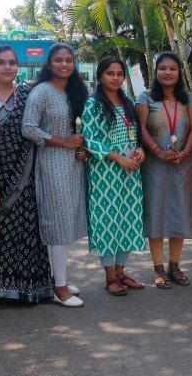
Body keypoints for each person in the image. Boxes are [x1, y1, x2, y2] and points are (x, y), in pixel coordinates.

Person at [0, 45, 56, 306]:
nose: (7, 67)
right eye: (1, 62)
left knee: (27, 232)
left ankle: (29, 287)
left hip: (25, 176)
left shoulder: (26, 93)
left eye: (12, 63)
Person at [22, 43, 89, 307]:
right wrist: (64, 143)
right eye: (58, 60)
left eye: (69, 60)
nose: (64, 64)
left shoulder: (75, 92)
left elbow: (79, 131)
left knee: (68, 222)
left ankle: (59, 278)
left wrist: (80, 148)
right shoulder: (41, 91)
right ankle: (59, 289)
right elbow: (29, 128)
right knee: (59, 223)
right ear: (48, 64)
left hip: (73, 165)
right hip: (52, 164)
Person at [82, 57, 149, 295]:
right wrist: (119, 158)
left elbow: (135, 135)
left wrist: (140, 150)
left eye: (120, 74)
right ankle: (110, 276)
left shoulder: (127, 102)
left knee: (127, 219)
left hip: (130, 171)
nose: (115, 78)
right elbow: (90, 140)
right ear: (100, 76)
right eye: (110, 73)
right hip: (105, 172)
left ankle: (121, 272)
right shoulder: (93, 104)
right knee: (107, 221)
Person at [136, 52, 192, 289]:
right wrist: (157, 151)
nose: (167, 72)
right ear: (155, 72)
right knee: (156, 211)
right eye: (162, 68)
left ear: (179, 72)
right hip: (155, 165)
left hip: (182, 164)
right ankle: (158, 268)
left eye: (173, 68)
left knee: (178, 210)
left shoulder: (189, 98)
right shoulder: (145, 97)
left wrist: (186, 152)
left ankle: (175, 266)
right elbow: (141, 128)